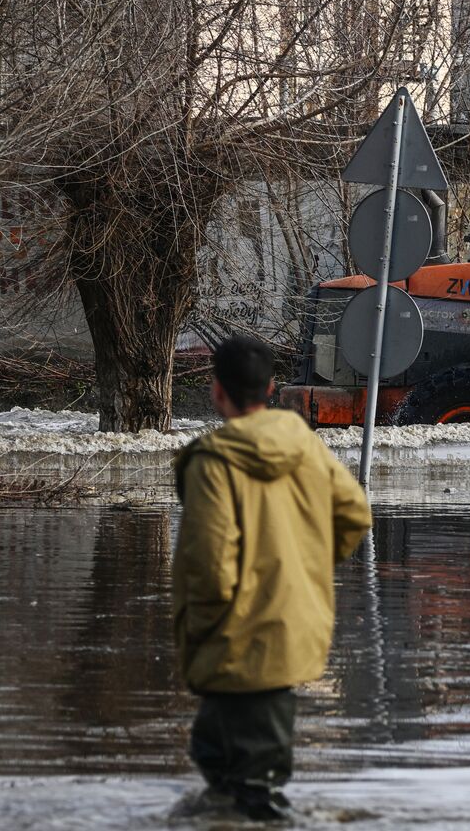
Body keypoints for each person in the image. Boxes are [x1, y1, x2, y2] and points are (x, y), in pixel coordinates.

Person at [172, 335, 371, 821]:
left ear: (217, 391)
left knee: (254, 780)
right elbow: (354, 513)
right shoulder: (305, 445)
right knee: (219, 751)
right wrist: (306, 571)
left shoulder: (213, 463)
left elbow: (210, 559)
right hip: (291, 622)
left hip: (233, 630)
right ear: (273, 388)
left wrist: (200, 628)